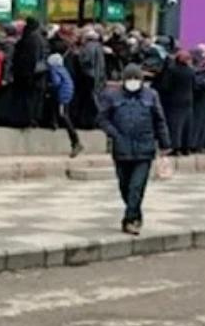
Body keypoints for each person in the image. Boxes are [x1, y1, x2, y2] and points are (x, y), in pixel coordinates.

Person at [98, 64, 171, 235]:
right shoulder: (113, 96)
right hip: (121, 149)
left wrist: (165, 143)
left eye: (136, 78)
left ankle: (130, 220)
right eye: (129, 78)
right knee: (125, 186)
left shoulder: (151, 95)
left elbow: (159, 120)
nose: (133, 82)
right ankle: (136, 213)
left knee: (136, 187)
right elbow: (102, 119)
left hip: (144, 148)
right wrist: (114, 134)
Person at [10, 17, 48, 128]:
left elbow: (29, 58)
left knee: (27, 97)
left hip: (28, 74)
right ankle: (32, 119)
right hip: (36, 74)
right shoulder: (39, 38)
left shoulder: (30, 38)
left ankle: (26, 119)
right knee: (34, 98)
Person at [157, 50, 196, 155]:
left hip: (174, 101)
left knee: (175, 125)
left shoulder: (172, 70)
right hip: (188, 100)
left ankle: (175, 147)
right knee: (187, 124)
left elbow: (165, 86)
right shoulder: (191, 71)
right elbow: (195, 85)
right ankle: (186, 147)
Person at [47, 53, 82, 157]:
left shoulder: (53, 69)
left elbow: (56, 82)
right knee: (61, 112)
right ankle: (54, 123)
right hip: (69, 92)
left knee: (63, 115)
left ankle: (75, 142)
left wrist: (50, 86)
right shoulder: (63, 69)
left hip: (63, 94)